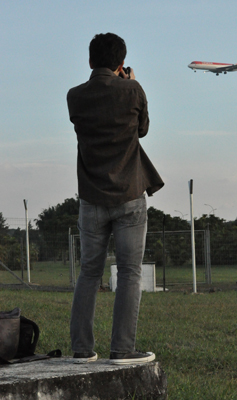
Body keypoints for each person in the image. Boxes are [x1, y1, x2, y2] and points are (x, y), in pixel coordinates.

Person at [67, 33, 164, 364]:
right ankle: (122, 349)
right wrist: (131, 83)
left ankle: (82, 349)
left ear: (90, 60)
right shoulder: (132, 90)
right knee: (129, 272)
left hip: (91, 198)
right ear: (121, 63)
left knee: (89, 273)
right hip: (129, 195)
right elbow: (143, 129)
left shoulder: (74, 96)